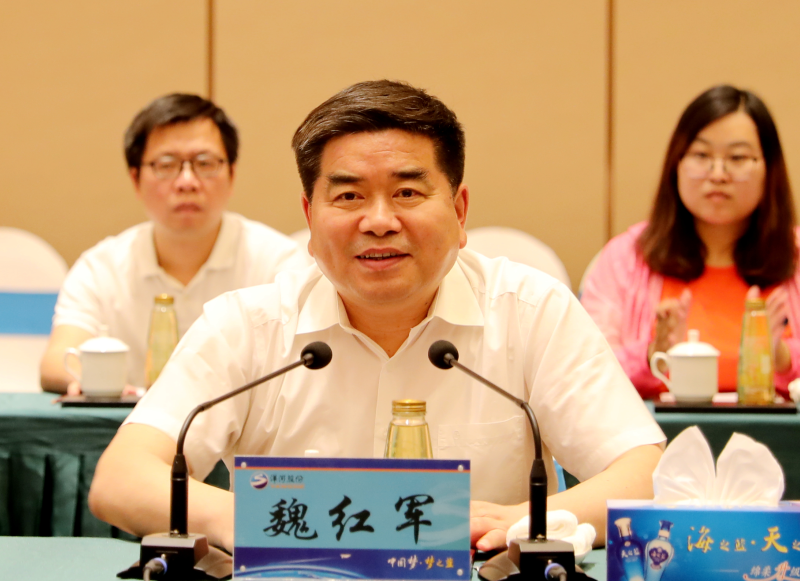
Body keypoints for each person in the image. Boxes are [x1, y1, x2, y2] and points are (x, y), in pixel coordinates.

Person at [89, 80, 664, 553]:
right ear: (310, 219)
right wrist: (242, 518)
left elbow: (646, 473)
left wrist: (524, 519)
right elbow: (121, 478)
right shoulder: (248, 327)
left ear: (460, 210)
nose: (380, 221)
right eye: (349, 197)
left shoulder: (532, 313)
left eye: (408, 193)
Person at [39, 93, 310, 394]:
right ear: (135, 179)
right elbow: (57, 361)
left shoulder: (278, 263)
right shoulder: (101, 268)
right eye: (166, 165)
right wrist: (95, 384)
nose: (187, 182)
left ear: (232, 174)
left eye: (205, 163)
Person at [581, 85, 800, 400]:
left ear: (769, 168)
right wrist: (651, 355)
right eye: (701, 155)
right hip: (654, 431)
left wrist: (782, 359)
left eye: (737, 157)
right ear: (677, 163)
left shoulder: (796, 255)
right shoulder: (626, 258)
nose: (718, 174)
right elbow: (585, 373)